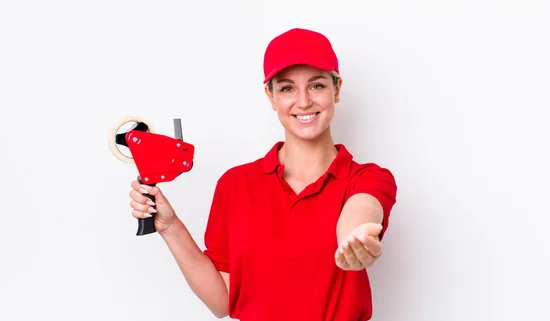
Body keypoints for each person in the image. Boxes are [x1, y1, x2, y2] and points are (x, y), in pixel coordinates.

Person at [128, 28, 397, 321]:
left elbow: (361, 210)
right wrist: (170, 227)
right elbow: (222, 301)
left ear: (337, 89)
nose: (304, 101)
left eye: (317, 86)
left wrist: (354, 238)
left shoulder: (368, 178)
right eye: (287, 88)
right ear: (270, 95)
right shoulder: (235, 185)